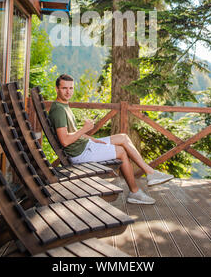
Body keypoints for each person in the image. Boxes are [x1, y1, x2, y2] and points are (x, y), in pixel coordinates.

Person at [48, 74, 174, 205]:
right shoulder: (58, 110)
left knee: (123, 137)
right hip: (80, 153)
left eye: (71, 88)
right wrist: (84, 129)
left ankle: (149, 172)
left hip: (85, 145)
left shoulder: (64, 106)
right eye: (64, 88)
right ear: (57, 89)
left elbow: (70, 133)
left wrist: (91, 138)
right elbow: (65, 141)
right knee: (121, 152)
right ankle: (135, 192)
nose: (68, 92)